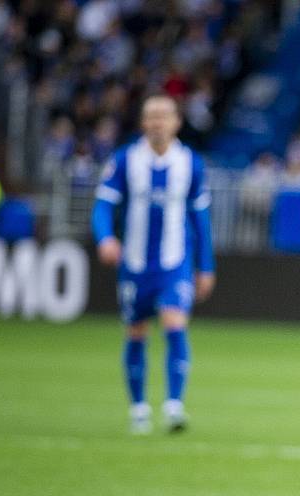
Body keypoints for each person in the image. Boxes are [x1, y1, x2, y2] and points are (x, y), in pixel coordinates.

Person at [92, 94, 215, 434]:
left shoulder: (191, 163)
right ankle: (139, 409)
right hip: (134, 263)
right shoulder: (125, 160)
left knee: (175, 322)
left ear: (177, 122)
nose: (158, 122)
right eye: (151, 116)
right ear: (143, 123)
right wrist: (105, 237)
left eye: (164, 116)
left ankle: (174, 405)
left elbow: (200, 218)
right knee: (136, 331)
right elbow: (103, 206)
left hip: (175, 262)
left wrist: (206, 266)